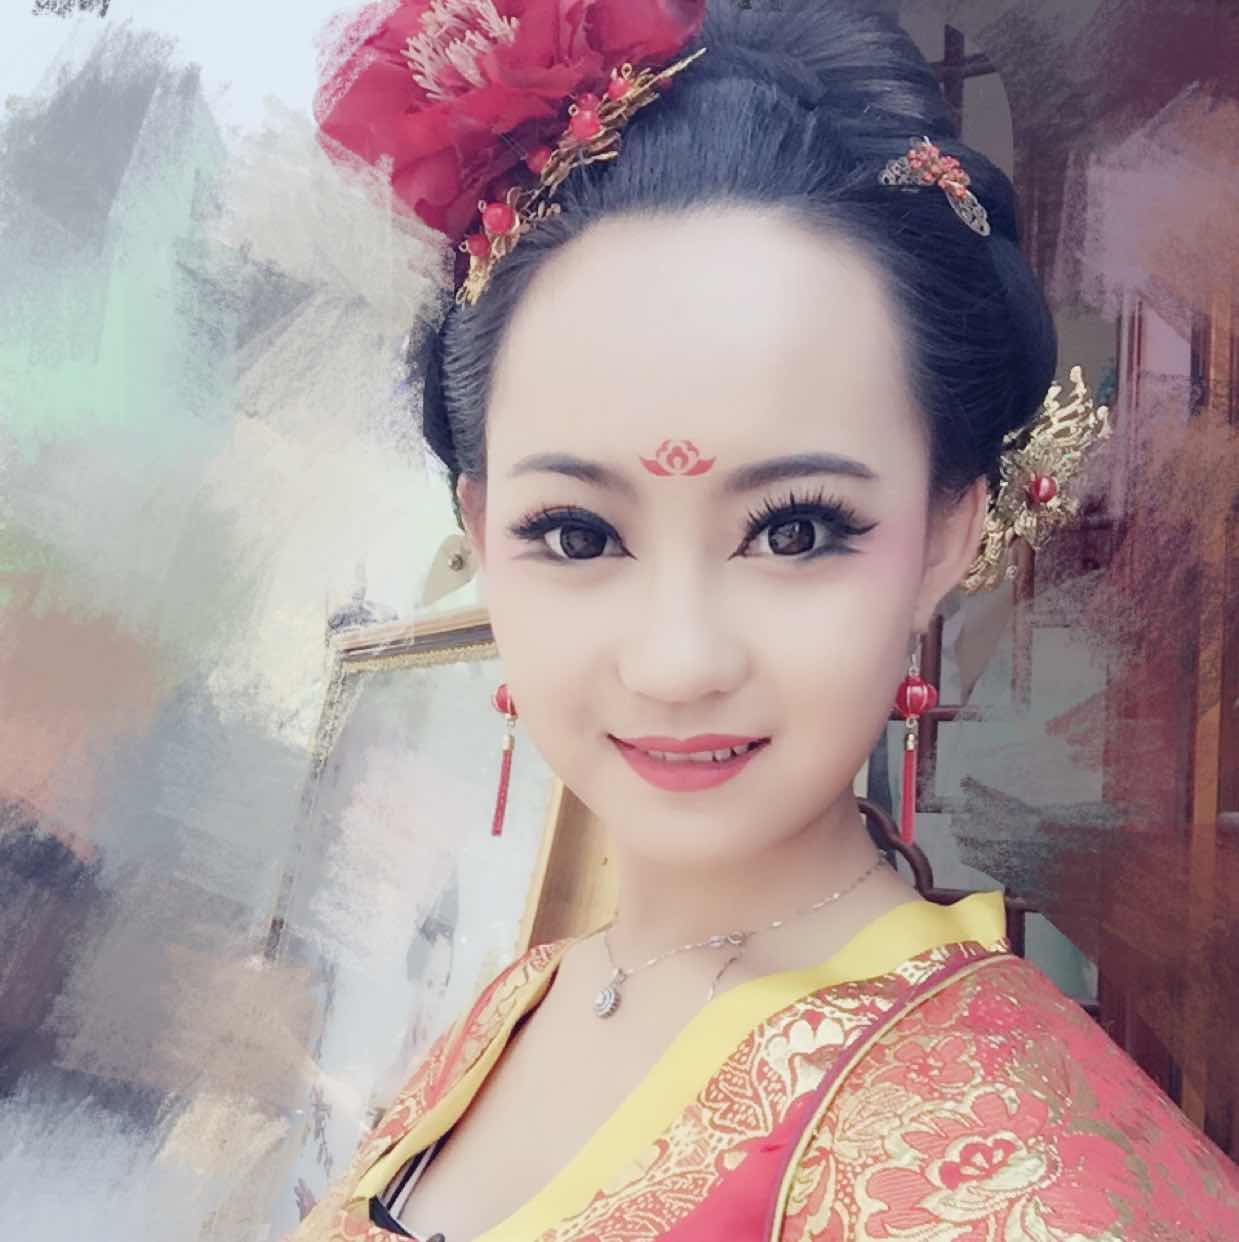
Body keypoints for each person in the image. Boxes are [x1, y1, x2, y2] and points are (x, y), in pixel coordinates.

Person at [292, 1, 1239, 1238]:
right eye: (577, 535)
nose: (678, 662)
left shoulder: (1033, 1180)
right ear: (480, 526)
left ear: (947, 530)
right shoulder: (517, 1000)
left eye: (794, 531)